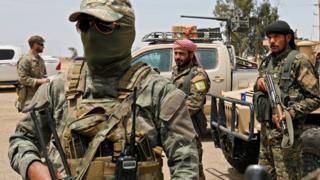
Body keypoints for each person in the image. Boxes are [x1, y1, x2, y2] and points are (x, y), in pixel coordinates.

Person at [8, 0, 199, 180]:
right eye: (84, 24)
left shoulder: (159, 92)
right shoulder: (57, 89)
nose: (91, 33)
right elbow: (22, 139)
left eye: (103, 25)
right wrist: (33, 167)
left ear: (126, 31)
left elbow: (186, 162)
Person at [254, 20, 320, 179]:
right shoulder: (267, 61)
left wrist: (289, 112)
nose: (271, 41)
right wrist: (258, 84)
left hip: (286, 139)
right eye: (269, 37)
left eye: (276, 36)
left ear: (288, 37)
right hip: (266, 138)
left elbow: (316, 98)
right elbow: (260, 85)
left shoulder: (298, 61)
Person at [170, 39, 211, 180]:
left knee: (194, 166)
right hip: (178, 127)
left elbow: (194, 103)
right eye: (175, 53)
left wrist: (170, 115)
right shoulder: (177, 71)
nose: (177, 57)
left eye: (181, 53)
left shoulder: (198, 75)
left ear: (191, 55)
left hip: (191, 127)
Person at [15, 35, 49, 112]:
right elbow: (23, 79)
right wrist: (40, 81)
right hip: (29, 99)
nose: (43, 47)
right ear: (35, 45)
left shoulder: (40, 60)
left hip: (40, 97)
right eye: (41, 45)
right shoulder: (25, 60)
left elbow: (44, 75)